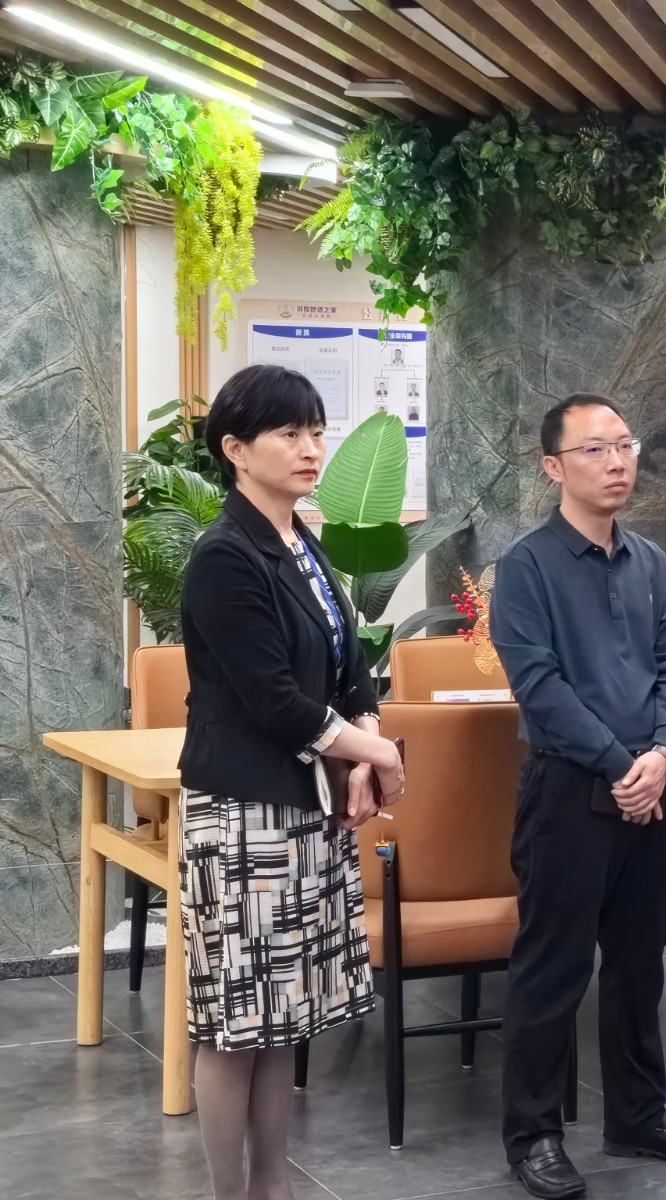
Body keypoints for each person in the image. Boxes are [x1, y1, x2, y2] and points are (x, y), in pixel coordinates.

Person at [178, 364, 406, 1200]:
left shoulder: (301, 542)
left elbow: (350, 670)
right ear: (236, 450)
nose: (311, 448)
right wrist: (378, 756)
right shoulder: (224, 557)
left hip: (305, 812)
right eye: (289, 433)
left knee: (281, 1022)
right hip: (242, 819)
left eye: (315, 431)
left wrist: (367, 742)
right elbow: (275, 701)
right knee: (235, 1026)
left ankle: (273, 1186)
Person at [491, 394, 666, 1199]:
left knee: (638, 964)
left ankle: (639, 1114)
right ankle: (534, 1134)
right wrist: (624, 765)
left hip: (655, 787)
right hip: (567, 789)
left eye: (624, 444)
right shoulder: (526, 567)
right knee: (551, 968)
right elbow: (539, 686)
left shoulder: (649, 560)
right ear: (553, 467)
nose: (617, 461)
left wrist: (662, 753)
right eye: (594, 449)